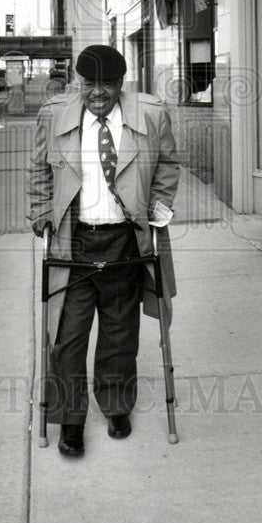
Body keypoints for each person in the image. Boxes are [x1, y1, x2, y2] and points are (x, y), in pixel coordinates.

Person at [27, 45, 179, 457]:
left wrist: (159, 207)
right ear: (78, 83)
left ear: (120, 84)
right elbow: (40, 168)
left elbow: (167, 163)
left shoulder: (149, 114)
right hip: (73, 238)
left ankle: (115, 405)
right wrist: (40, 210)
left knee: (119, 331)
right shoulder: (54, 115)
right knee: (68, 336)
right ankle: (71, 420)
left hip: (125, 238)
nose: (98, 92)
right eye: (89, 83)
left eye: (107, 84)